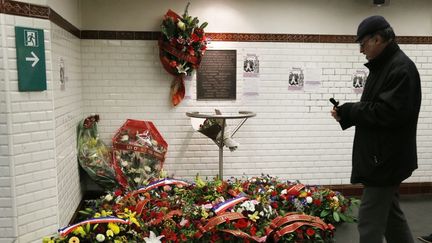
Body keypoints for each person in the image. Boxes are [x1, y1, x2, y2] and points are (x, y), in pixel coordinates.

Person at [330, 15, 421, 243]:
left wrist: (350, 111)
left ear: (378, 39)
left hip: (385, 161)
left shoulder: (401, 69)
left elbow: (387, 113)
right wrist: (347, 113)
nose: (361, 50)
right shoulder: (386, 67)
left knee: (369, 223)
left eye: (363, 44)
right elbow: (376, 109)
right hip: (382, 157)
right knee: (392, 220)